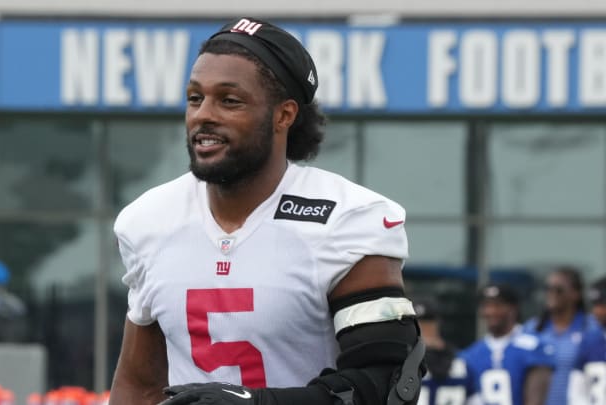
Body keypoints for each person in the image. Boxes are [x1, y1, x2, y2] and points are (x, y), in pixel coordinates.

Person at [110, 16, 425, 405]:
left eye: (229, 100)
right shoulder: (149, 220)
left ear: (284, 115)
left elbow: (389, 386)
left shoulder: (347, 219)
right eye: (195, 98)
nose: (203, 115)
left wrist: (259, 403)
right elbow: (139, 387)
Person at [460, 283, 553, 405]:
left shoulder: (533, 346)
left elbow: (536, 399)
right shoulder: (471, 354)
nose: (491, 311)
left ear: (513, 308)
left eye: (497, 305)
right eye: (486, 305)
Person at [523, 266, 600, 405]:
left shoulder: (591, 327)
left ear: (575, 294)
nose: (551, 294)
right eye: (548, 289)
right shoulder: (532, 329)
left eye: (558, 289)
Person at [411, 298, 470, 405]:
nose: (423, 327)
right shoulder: (404, 361)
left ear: (437, 322)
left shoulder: (463, 360)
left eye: (428, 321)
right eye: (419, 323)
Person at [568, 277, 606, 405]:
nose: (597, 311)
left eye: (602, 304)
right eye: (595, 305)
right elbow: (577, 389)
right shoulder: (590, 342)